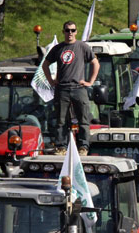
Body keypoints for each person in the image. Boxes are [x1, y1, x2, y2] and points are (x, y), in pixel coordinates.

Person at [42, 21, 100, 156]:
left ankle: (83, 147)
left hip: (79, 88)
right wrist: (51, 80)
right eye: (67, 30)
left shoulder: (82, 47)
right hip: (62, 88)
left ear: (76, 32)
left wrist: (90, 81)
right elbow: (45, 64)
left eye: (73, 30)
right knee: (61, 120)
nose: (70, 33)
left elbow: (95, 63)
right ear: (63, 32)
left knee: (83, 119)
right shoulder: (58, 48)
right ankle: (61, 147)